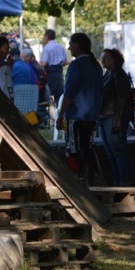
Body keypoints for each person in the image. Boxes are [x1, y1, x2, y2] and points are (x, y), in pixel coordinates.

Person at [56, 33, 103, 185]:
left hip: (76, 115)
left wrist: (61, 115)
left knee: (73, 148)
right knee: (88, 147)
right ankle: (94, 176)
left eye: (70, 44)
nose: (69, 48)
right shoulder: (96, 66)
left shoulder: (76, 65)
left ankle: (79, 178)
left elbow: (69, 92)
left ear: (77, 45)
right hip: (92, 115)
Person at [99, 48, 134, 186]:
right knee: (110, 151)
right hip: (104, 116)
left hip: (113, 116)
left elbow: (121, 99)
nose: (103, 60)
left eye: (106, 57)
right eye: (102, 57)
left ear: (114, 60)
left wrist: (117, 121)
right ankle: (117, 180)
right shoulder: (108, 74)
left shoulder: (119, 75)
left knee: (118, 150)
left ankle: (124, 181)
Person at [40, 29, 69, 104]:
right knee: (59, 93)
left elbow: (44, 63)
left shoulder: (47, 48)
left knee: (50, 93)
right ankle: (59, 108)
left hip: (50, 72)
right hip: (59, 71)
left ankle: (52, 108)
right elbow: (67, 61)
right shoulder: (60, 47)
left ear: (47, 37)